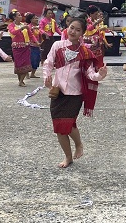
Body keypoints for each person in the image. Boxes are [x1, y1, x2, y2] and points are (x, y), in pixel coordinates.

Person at [43, 16, 108, 168]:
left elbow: (90, 74)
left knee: (68, 124)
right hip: (58, 92)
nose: (73, 31)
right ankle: (68, 157)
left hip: (74, 94)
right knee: (59, 128)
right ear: (67, 28)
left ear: (82, 34)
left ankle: (78, 144)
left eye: (77, 30)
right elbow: (48, 63)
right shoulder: (57, 45)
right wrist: (47, 77)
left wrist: (100, 75)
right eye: (71, 28)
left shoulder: (85, 52)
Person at [8, 11, 35, 86]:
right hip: (16, 48)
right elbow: (13, 32)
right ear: (14, 17)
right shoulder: (11, 25)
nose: (21, 16)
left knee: (26, 63)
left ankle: (21, 81)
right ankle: (20, 80)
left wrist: (36, 42)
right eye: (19, 15)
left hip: (25, 47)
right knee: (18, 64)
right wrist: (21, 28)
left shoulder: (24, 25)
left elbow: (31, 35)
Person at [27, 14, 42, 78]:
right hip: (30, 46)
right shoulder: (28, 27)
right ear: (31, 20)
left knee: (37, 60)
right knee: (31, 60)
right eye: (34, 18)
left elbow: (40, 36)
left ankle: (32, 74)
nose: (36, 19)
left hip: (37, 46)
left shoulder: (38, 27)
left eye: (37, 18)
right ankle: (26, 73)